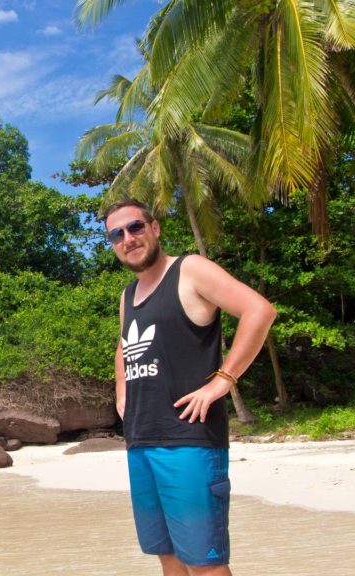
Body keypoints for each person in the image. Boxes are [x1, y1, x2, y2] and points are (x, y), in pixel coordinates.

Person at [104, 198, 277, 576]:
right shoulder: (128, 295)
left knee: (205, 565)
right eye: (117, 234)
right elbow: (123, 345)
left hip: (190, 441)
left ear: (155, 228)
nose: (128, 238)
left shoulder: (189, 270)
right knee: (168, 557)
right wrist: (122, 393)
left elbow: (259, 311)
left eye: (135, 227)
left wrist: (223, 381)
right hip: (142, 440)